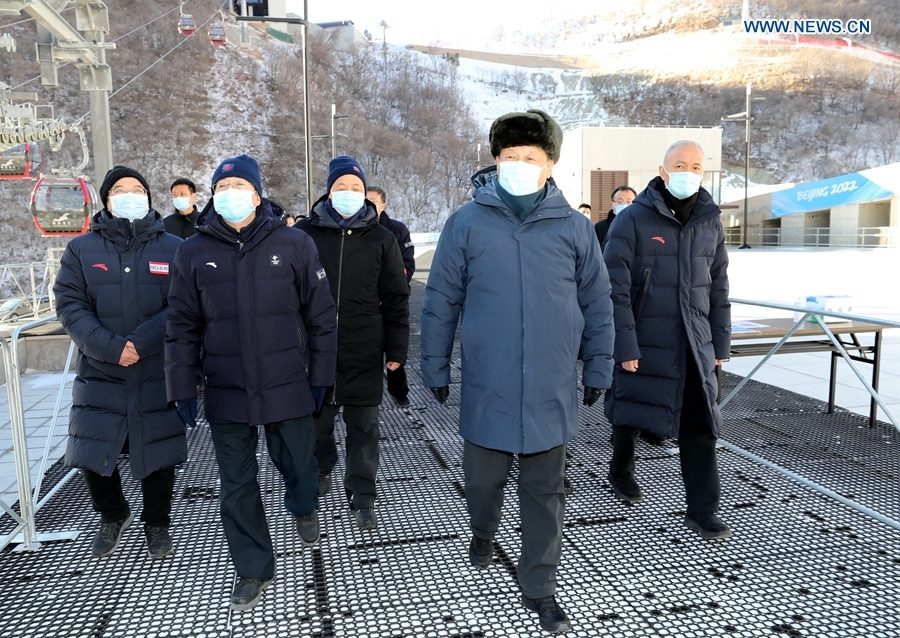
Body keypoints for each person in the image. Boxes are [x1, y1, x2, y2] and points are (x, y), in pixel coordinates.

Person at [421, 110, 615, 634]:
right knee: (483, 483)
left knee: (545, 491)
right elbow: (442, 299)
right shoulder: (467, 222)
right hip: (490, 381)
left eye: (531, 157)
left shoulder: (574, 227)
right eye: (510, 157)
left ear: (549, 164)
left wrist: (599, 363)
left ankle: (540, 585)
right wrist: (434, 363)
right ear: (495, 160)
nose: (519, 165)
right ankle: (482, 530)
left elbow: (598, 301)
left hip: (551, 383)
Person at [165, 154, 338, 610]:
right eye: (222, 187)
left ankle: (303, 505)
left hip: (287, 382)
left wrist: (320, 375)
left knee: (300, 464)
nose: (231, 193)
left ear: (258, 194)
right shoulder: (194, 252)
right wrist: (181, 385)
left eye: (240, 185)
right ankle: (252, 567)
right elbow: (182, 325)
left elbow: (320, 317)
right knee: (236, 482)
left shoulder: (295, 244)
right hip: (227, 388)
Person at [54, 166, 187, 561]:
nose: (130, 195)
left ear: (148, 198)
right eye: (120, 190)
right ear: (107, 201)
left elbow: (181, 305)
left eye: (137, 189)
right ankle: (112, 513)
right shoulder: (81, 250)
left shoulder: (173, 247)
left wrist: (139, 343)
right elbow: (70, 305)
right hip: (100, 366)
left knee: (157, 450)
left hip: (154, 366)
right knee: (92, 449)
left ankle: (156, 522)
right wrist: (110, 347)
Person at [603, 140, 732, 541]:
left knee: (700, 421)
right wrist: (623, 345)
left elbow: (719, 288)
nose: (687, 172)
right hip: (645, 338)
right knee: (631, 408)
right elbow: (615, 290)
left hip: (695, 343)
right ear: (662, 171)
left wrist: (720, 346)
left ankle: (702, 508)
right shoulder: (633, 220)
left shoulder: (710, 220)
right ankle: (620, 471)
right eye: (680, 164)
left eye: (695, 166)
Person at [296, 157, 409, 532]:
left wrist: (396, 353)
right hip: (316, 350)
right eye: (341, 187)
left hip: (364, 347)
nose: (349, 194)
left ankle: (362, 496)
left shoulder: (382, 238)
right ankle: (322, 469)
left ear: (365, 194)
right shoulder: (305, 236)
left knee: (364, 429)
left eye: (356, 188)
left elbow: (396, 297)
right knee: (317, 425)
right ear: (329, 190)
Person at [367, 185, 415, 407]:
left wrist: (394, 284)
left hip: (391, 300)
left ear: (383, 205)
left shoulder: (397, 230)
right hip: (366, 304)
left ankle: (399, 391)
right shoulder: (360, 230)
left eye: (373, 202)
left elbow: (407, 265)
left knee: (395, 350)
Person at [594, 186, 635, 250]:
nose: (624, 205)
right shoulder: (600, 227)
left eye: (629, 202)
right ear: (613, 204)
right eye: (620, 202)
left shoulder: (642, 227)